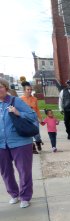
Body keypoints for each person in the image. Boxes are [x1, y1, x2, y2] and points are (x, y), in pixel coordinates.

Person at [0, 77, 38, 208]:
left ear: (5, 88)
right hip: (1, 144)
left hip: (20, 142)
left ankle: (25, 196)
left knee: (24, 170)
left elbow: (32, 115)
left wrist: (18, 113)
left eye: (0, 87)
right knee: (5, 171)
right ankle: (14, 194)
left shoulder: (15, 101)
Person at [20, 81, 43, 154]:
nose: (29, 91)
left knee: (36, 133)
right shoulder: (20, 99)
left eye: (30, 89)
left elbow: (37, 109)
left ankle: (38, 142)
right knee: (29, 134)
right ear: (24, 90)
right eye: (28, 89)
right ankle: (33, 148)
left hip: (34, 118)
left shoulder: (34, 99)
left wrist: (40, 118)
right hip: (25, 119)